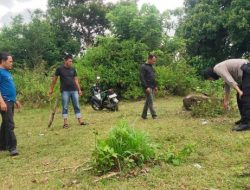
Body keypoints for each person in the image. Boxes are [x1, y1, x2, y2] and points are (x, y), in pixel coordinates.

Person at [203, 58, 250, 131]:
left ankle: (246, 124)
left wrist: (239, 91)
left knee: (245, 97)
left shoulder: (217, 68)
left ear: (210, 75)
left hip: (246, 68)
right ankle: (244, 119)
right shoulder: (219, 70)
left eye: (209, 79)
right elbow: (227, 84)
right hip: (244, 71)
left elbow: (229, 79)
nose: (211, 80)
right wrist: (226, 100)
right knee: (239, 96)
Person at [49, 54, 87, 128]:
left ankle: (80, 121)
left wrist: (79, 89)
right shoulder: (59, 69)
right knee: (65, 107)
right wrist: (51, 89)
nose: (71, 63)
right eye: (70, 61)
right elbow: (54, 79)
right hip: (65, 91)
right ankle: (65, 123)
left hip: (74, 90)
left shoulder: (73, 69)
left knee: (77, 105)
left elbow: (76, 79)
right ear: (65, 61)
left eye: (72, 61)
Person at [0, 52, 21, 156]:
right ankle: (12, 147)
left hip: (10, 100)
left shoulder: (7, 72)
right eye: (10, 61)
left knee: (5, 123)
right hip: (5, 101)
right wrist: (1, 101)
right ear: (3, 61)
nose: (12, 63)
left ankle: (2, 145)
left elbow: (9, 87)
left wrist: (15, 99)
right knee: (9, 124)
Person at [140, 54, 158, 119]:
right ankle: (154, 115)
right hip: (147, 87)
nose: (154, 62)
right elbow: (142, 78)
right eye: (153, 61)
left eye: (155, 61)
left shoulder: (152, 67)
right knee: (150, 101)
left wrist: (155, 86)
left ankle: (143, 115)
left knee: (148, 101)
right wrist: (146, 87)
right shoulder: (143, 67)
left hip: (152, 86)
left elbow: (154, 77)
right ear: (149, 59)